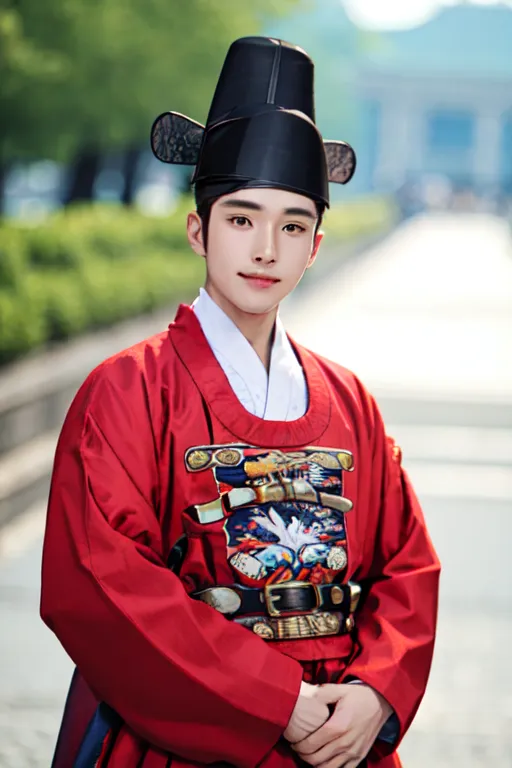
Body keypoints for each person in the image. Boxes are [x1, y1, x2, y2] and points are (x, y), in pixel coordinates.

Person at [41, 37, 440, 768]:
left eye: (292, 225)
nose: (265, 248)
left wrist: (377, 692)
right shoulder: (129, 390)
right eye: (241, 218)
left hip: (339, 737)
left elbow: (407, 567)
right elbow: (103, 585)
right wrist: (275, 701)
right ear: (198, 229)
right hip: (184, 737)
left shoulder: (350, 401)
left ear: (315, 246)